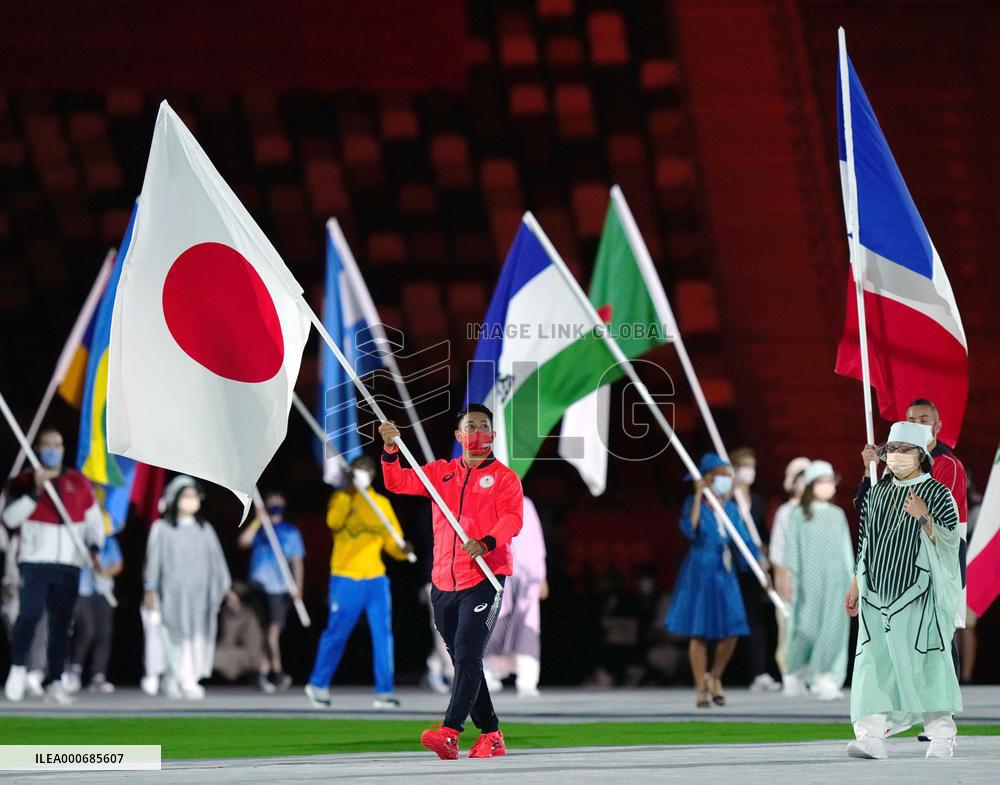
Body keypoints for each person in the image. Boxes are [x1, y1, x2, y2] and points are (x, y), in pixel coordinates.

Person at [379, 404, 523, 760]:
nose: (477, 432)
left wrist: (487, 541)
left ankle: (450, 731)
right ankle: (492, 734)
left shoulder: (505, 478)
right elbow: (397, 482)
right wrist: (390, 449)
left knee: (469, 654)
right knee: (464, 661)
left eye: (484, 426)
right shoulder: (440, 473)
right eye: (470, 426)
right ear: (458, 436)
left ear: (492, 434)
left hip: (485, 578)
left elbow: (512, 520)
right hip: (443, 583)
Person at [845, 422, 962, 760]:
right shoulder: (878, 490)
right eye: (891, 449)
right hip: (875, 590)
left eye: (903, 450)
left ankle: (941, 736)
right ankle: (870, 736)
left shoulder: (937, 493)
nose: (895, 455)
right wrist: (856, 580)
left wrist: (924, 517)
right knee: (873, 663)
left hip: (918, 593)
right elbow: (866, 538)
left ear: (921, 456)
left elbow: (950, 541)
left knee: (925, 662)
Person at [3, 428, 104, 704]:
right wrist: (35, 493)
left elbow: (94, 523)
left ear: (63, 449)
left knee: (62, 625)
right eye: (47, 444)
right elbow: (10, 519)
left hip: (69, 563)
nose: (53, 449)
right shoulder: (23, 480)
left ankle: (55, 680)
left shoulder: (79, 482)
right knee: (30, 615)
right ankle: (18, 668)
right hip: (34, 561)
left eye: (57, 444)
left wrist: (94, 548)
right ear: (37, 447)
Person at [305, 456, 410, 710]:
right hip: (345, 577)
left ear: (373, 475)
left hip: (375, 579)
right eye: (359, 470)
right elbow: (333, 523)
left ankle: (384, 692)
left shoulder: (381, 504)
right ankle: (318, 684)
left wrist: (403, 550)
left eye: (367, 470)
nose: (363, 474)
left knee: (382, 634)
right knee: (337, 632)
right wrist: (350, 493)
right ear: (351, 474)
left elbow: (392, 542)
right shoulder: (341, 499)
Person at [665, 453, 760, 708]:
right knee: (698, 632)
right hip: (700, 571)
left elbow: (743, 539)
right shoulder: (693, 503)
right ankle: (700, 687)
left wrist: (759, 562)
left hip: (723, 570)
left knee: (734, 628)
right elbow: (690, 529)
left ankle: (715, 676)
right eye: (722, 476)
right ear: (708, 478)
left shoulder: (729, 507)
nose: (728, 481)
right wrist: (697, 495)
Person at [143, 475, 234, 700]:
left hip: (200, 597)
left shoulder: (205, 529)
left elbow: (218, 562)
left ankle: (187, 677)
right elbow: (153, 561)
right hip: (172, 595)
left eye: (195, 496)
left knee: (197, 636)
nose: (191, 500)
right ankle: (178, 677)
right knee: (173, 635)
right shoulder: (162, 528)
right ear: (175, 498)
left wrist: (226, 588)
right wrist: (150, 588)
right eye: (186, 496)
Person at [779, 461, 853, 701]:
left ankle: (826, 677)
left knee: (834, 628)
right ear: (811, 485)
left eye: (830, 481)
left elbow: (846, 550)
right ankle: (795, 672)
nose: (828, 486)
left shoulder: (837, 514)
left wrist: (853, 579)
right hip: (807, 581)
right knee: (806, 627)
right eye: (822, 481)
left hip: (837, 581)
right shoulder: (799, 515)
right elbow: (791, 550)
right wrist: (789, 578)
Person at [237, 490, 304, 692]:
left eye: (278, 501)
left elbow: (297, 561)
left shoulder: (290, 532)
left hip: (279, 588)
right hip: (258, 586)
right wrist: (258, 521)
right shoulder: (260, 529)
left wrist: (298, 586)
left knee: (273, 632)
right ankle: (264, 672)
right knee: (262, 632)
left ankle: (275, 671)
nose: (275, 504)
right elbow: (242, 542)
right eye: (271, 501)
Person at [485, 496, 547, 697]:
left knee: (527, 626)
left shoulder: (527, 503)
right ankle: (488, 674)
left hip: (528, 577)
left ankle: (527, 680)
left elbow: (537, 543)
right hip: (500, 572)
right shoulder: (490, 501)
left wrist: (542, 576)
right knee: (494, 622)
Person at [730, 446, 778, 693]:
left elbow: (761, 534)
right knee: (730, 621)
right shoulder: (725, 500)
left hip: (752, 567)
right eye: (744, 467)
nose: (749, 472)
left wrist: (765, 560)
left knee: (756, 619)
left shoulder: (757, 501)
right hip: (729, 566)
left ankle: (759, 672)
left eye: (752, 467)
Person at [63, 533, 124, 694]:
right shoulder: (78, 538)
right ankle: (75, 671)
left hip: (103, 591)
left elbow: (118, 564)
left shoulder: (110, 542)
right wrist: (88, 560)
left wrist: (103, 570)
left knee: (104, 633)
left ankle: (98, 675)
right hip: (82, 590)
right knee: (87, 630)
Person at [768, 455, 810, 688]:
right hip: (790, 578)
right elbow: (779, 549)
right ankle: (790, 675)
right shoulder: (786, 511)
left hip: (814, 579)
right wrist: (782, 579)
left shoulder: (821, 510)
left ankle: (810, 674)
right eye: (800, 477)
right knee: (788, 629)